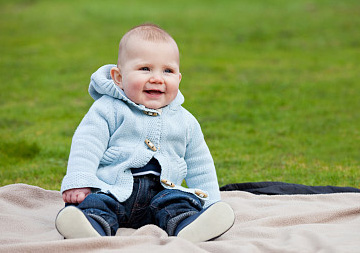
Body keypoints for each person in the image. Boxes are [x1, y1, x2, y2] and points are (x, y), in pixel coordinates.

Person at [55, 23, 235, 243]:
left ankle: (190, 225)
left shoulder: (185, 120)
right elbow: (87, 144)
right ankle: (90, 227)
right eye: (145, 69)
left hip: (162, 196)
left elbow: (200, 162)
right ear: (118, 77)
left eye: (167, 71)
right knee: (96, 203)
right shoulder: (108, 109)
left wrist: (211, 204)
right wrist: (78, 181)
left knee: (179, 203)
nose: (157, 78)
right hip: (115, 191)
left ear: (179, 79)